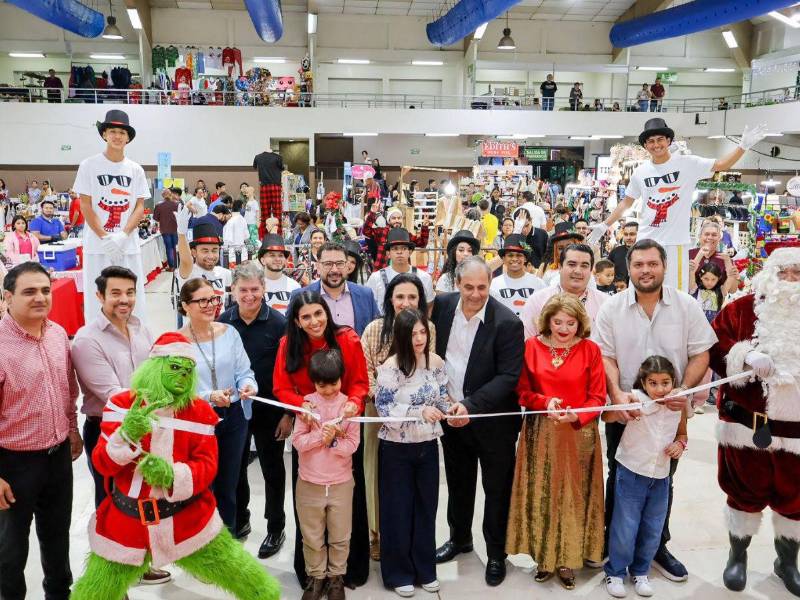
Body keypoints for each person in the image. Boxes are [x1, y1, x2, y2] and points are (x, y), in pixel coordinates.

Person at [592, 239, 717, 582]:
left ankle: (656, 545)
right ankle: (611, 541)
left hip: (670, 412)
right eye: (638, 265)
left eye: (652, 263)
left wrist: (684, 390)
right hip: (627, 410)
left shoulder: (685, 306)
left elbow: (701, 352)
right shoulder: (612, 308)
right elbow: (606, 356)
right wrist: (617, 395)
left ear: (664, 266)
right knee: (619, 477)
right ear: (628, 269)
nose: (645, 270)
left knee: (663, 480)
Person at [70, 266, 172, 585]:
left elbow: (159, 371)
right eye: (115, 293)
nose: (124, 299)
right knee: (111, 505)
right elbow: (115, 395)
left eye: (129, 292)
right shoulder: (87, 340)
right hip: (108, 430)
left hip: (147, 428)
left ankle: (138, 564)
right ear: (99, 295)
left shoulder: (142, 328)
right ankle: (111, 576)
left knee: (142, 500)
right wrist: (162, 401)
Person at [707, 248, 800, 596]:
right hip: (747, 427)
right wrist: (744, 355)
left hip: (797, 433)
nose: (789, 281)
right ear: (769, 275)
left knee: (795, 500)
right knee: (743, 492)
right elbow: (714, 346)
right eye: (783, 273)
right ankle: (737, 556)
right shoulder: (741, 309)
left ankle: (787, 562)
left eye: (796, 274)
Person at [587, 118, 768, 291]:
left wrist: (743, 147)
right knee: (642, 288)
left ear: (668, 140)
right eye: (651, 141)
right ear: (645, 145)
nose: (656, 145)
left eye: (660, 139)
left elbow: (721, 164)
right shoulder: (640, 172)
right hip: (646, 240)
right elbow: (626, 202)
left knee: (675, 293)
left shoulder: (687, 163)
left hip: (676, 242)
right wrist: (605, 225)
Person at [431, 256, 524, 587]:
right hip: (450, 416)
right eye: (468, 287)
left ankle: (497, 553)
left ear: (491, 284)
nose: (474, 294)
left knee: (496, 489)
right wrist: (444, 402)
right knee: (458, 481)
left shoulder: (507, 322)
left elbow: (508, 377)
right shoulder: (441, 307)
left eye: (482, 287)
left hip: (493, 424)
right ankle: (459, 539)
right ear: (457, 284)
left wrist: (469, 405)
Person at [507, 294, 606, 589]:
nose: (564, 328)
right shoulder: (532, 347)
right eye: (558, 321)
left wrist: (576, 416)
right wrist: (544, 401)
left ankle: (568, 559)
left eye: (571, 322)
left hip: (578, 434)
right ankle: (544, 558)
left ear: (580, 323)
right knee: (542, 493)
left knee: (574, 496)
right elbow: (522, 391)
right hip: (540, 431)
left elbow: (598, 398)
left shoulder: (591, 350)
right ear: (548, 319)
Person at [272, 291, 370, 589]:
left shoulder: (348, 340)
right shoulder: (288, 344)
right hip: (308, 427)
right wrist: (302, 405)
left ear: (327, 313)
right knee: (310, 508)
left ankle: (344, 573)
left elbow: (360, 383)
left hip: (345, 424)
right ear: (297, 321)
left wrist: (353, 403)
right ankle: (313, 574)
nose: (314, 321)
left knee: (346, 505)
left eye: (318, 314)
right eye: (306, 317)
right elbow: (281, 387)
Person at [0, 262, 82, 600]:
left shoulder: (58, 334)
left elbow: (67, 389)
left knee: (57, 539)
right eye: (29, 291)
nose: (40, 298)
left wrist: (73, 430)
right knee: (10, 551)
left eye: (45, 290)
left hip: (57, 456)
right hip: (13, 465)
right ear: (7, 297)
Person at [360, 273, 437, 562]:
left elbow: (428, 369)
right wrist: (386, 402)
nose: (406, 303)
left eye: (412, 297)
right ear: (390, 299)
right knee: (376, 473)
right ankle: (377, 534)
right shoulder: (374, 329)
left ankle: (410, 536)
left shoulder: (427, 328)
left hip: (416, 416)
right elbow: (365, 373)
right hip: (377, 413)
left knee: (411, 480)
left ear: (421, 300)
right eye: (400, 297)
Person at [375, 308, 449, 597]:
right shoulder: (390, 367)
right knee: (397, 511)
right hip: (396, 449)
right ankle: (398, 573)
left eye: (422, 332)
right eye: (413, 333)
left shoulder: (436, 362)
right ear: (401, 336)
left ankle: (425, 569)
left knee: (426, 509)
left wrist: (450, 409)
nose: (419, 338)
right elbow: (384, 409)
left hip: (428, 447)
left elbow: (442, 396)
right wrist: (420, 411)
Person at [218, 263, 290, 557]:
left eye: (255, 290)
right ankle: (240, 520)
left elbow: (290, 370)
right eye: (243, 290)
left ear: (264, 289)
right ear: (233, 291)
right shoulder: (222, 323)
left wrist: (289, 413)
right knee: (235, 470)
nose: (249, 296)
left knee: (273, 470)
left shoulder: (279, 323)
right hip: (233, 411)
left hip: (270, 411)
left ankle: (276, 527)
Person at [603, 356, 687, 599]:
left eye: (665, 382)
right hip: (631, 472)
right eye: (653, 383)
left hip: (660, 476)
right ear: (643, 383)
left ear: (674, 382)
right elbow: (606, 418)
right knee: (624, 527)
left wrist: (680, 444)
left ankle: (641, 571)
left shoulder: (679, 404)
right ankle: (616, 572)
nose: (660, 389)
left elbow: (682, 433)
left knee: (653, 528)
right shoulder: (635, 399)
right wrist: (621, 406)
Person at [178, 277, 257, 532]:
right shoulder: (175, 342)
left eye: (213, 299)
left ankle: (229, 540)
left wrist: (248, 386)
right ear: (185, 306)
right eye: (202, 300)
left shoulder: (228, 332)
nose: (210, 305)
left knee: (229, 483)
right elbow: (176, 391)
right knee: (202, 484)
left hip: (233, 416)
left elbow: (245, 371)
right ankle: (203, 543)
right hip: (197, 421)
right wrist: (208, 396)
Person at [293, 349, 360, 600]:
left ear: (341, 379)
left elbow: (353, 445)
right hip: (309, 482)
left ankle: (336, 578)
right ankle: (316, 577)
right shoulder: (307, 406)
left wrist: (332, 442)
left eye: (334, 384)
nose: (329, 390)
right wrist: (319, 437)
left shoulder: (349, 408)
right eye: (322, 385)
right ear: (314, 383)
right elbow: (298, 442)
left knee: (341, 535)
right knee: (311, 536)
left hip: (341, 483)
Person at [74, 109, 148, 323]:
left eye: (122, 132)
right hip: (98, 244)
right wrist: (105, 236)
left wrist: (123, 235)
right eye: (113, 131)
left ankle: (134, 340)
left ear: (128, 138)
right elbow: (85, 204)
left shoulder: (135, 170)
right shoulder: (88, 165)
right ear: (104, 134)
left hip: (128, 244)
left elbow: (139, 206)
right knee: (97, 296)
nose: (117, 136)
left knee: (132, 296)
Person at [292, 242, 380, 336]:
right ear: (318, 266)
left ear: (347, 265)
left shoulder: (365, 295)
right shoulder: (299, 296)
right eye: (328, 264)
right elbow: (291, 335)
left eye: (339, 263)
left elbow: (376, 332)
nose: (334, 270)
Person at [521, 243, 607, 339]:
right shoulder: (537, 301)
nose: (578, 271)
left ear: (591, 270)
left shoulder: (605, 303)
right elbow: (527, 343)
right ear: (560, 267)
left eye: (584, 266)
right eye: (572, 264)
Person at [175, 212, 233, 320]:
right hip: (194, 334)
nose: (211, 256)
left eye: (214, 250)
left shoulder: (223, 273)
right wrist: (181, 234)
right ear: (194, 252)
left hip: (218, 332)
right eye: (205, 251)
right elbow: (186, 261)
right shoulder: (190, 273)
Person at [366, 228, 435, 311]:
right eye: (395, 249)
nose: (399, 252)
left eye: (404, 248)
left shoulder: (424, 277)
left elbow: (429, 305)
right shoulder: (376, 278)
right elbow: (368, 306)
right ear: (388, 254)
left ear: (410, 252)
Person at [489, 233, 545, 317]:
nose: (514, 259)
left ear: (525, 258)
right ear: (503, 259)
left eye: (519, 255)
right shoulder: (494, 284)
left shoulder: (538, 284)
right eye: (510, 255)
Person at [363, 206, 430, 271]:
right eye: (394, 218)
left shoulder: (405, 234)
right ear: (389, 220)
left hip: (402, 271)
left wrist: (424, 227)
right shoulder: (382, 232)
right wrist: (372, 214)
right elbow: (366, 231)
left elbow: (422, 243)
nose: (397, 220)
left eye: (399, 218)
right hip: (383, 271)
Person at [689, 220, 739, 296]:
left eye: (714, 235)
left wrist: (735, 277)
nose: (710, 237)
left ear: (719, 238)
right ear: (700, 236)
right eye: (706, 234)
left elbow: (732, 290)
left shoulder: (725, 259)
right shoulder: (689, 255)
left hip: (716, 304)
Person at [259, 233, 300, 314]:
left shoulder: (295, 286)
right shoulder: (254, 285)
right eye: (272, 255)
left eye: (281, 255)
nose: (277, 259)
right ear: (263, 260)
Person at [436, 229, 480, 295]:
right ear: (454, 253)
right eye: (461, 250)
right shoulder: (445, 279)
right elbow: (442, 303)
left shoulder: (480, 277)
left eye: (470, 250)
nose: (466, 254)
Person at [253, 146, 284, 236]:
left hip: (264, 186)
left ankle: (263, 236)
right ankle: (278, 234)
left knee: (264, 213)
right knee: (277, 212)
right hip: (276, 186)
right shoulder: (278, 157)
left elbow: (255, 167)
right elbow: (281, 168)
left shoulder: (258, 157)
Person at [153, 187, 180, 270]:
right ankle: (177, 264)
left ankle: (171, 266)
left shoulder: (158, 205)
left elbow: (156, 218)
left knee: (169, 248)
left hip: (165, 229)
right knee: (175, 247)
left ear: (162, 196)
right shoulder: (177, 204)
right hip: (175, 229)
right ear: (171, 195)